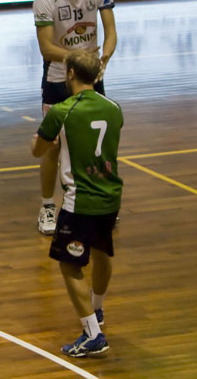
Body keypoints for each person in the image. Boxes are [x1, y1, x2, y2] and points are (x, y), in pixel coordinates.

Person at [31, 49, 123, 357]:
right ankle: (96, 308)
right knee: (102, 252)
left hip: (79, 201)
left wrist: (43, 142)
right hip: (110, 196)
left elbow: (38, 150)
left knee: (69, 264)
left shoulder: (62, 111)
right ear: (96, 75)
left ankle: (92, 334)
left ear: (70, 74)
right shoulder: (114, 108)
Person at [32, 0, 117, 235]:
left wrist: (105, 57)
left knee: (94, 143)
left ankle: (97, 201)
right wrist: (78, 59)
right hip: (58, 79)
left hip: (91, 77)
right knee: (53, 145)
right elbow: (46, 48)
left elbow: (111, 32)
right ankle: (47, 206)